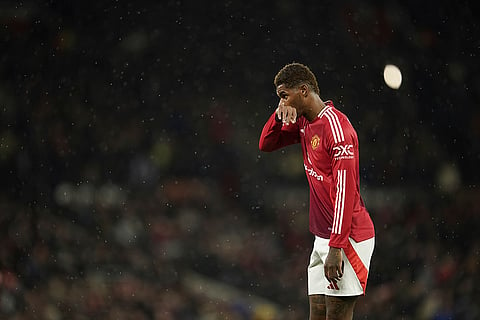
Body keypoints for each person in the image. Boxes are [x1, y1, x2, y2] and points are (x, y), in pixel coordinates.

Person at [259, 62, 375, 320]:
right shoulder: (304, 123)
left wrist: (337, 246)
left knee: (336, 315)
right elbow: (266, 143)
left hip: (348, 237)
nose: (282, 102)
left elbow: (345, 190)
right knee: (317, 314)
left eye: (284, 96)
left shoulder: (337, 128)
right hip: (322, 236)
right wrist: (278, 115)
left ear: (303, 91)